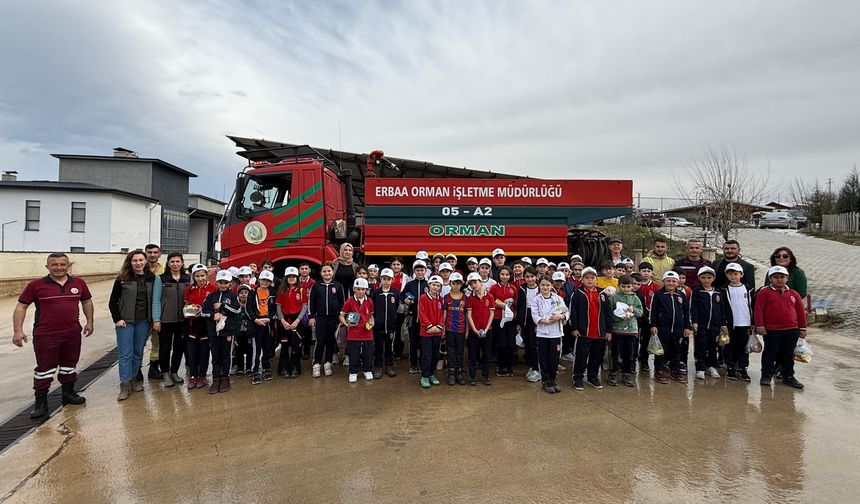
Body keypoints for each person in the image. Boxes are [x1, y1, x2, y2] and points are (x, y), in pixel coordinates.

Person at [13, 253, 94, 418]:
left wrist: (90, 322)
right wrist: (18, 331)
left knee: (69, 365)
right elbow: (21, 307)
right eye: (54, 264)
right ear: (47, 267)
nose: (59, 267)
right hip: (46, 335)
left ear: (68, 265)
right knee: (45, 369)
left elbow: (86, 301)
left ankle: (68, 393)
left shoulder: (78, 283)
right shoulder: (36, 285)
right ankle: (41, 404)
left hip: (72, 333)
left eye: (62, 264)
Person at [109, 250, 162, 400]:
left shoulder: (152, 278)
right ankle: (124, 385)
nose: (138, 263)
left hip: (143, 322)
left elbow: (155, 300)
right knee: (126, 354)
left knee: (138, 352)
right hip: (125, 322)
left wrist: (154, 319)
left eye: (141, 260)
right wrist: (117, 319)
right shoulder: (122, 279)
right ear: (130, 262)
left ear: (145, 261)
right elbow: (113, 302)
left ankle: (134, 379)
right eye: (135, 260)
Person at [755, 265, 807, 389]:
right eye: (776, 277)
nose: (779, 280)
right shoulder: (764, 293)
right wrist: (760, 325)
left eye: (782, 277)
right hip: (772, 330)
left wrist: (803, 328)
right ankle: (766, 375)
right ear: (770, 279)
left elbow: (800, 312)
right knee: (770, 353)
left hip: (791, 330)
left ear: (787, 278)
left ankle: (788, 376)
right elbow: (758, 310)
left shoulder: (793, 294)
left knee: (788, 354)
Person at [569, 267, 613, 390]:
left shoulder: (602, 294)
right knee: (581, 356)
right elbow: (573, 312)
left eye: (592, 277)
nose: (590, 280)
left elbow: (608, 313)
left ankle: (592, 376)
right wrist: (574, 327)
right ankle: (577, 377)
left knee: (597, 356)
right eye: (587, 278)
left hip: (600, 332)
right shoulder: (577, 293)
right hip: (584, 332)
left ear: (596, 280)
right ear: (582, 280)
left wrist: (609, 330)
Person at [649, 271, 691, 385]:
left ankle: (675, 370)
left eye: (674, 281)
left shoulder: (681, 295)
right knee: (660, 350)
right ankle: (659, 370)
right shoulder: (658, 295)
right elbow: (653, 311)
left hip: (678, 329)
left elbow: (686, 312)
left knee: (676, 350)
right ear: (664, 281)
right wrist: (653, 325)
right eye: (668, 281)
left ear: (678, 282)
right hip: (663, 328)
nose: (671, 283)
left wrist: (687, 326)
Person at [202, 270, 240, 393]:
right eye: (220, 282)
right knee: (215, 356)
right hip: (213, 332)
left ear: (230, 283)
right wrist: (213, 315)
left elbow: (237, 311)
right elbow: (203, 311)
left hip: (227, 332)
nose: (223, 285)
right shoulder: (211, 296)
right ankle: (216, 378)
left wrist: (222, 306)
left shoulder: (233, 296)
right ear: (217, 282)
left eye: (226, 283)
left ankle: (225, 377)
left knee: (226, 355)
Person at [531, 274, 569, 394]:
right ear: (539, 285)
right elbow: (535, 315)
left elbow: (566, 312)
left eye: (548, 285)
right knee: (544, 358)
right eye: (543, 285)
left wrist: (560, 316)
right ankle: (546, 380)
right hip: (542, 333)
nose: (545, 287)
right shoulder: (536, 299)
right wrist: (544, 321)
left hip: (556, 333)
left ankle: (553, 379)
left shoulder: (557, 298)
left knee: (554, 358)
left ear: (551, 285)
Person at [690, 266, 728, 381]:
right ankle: (700, 367)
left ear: (713, 278)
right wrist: (694, 321)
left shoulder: (718, 292)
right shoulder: (697, 291)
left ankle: (711, 366)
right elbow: (693, 307)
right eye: (703, 277)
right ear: (699, 278)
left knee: (713, 346)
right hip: (701, 324)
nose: (706, 280)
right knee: (700, 346)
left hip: (715, 325)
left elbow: (722, 308)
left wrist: (723, 323)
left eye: (709, 277)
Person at [158, 252, 190, 387]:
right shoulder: (161, 279)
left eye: (178, 261)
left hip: (183, 320)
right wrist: (156, 319)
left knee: (179, 347)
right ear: (168, 263)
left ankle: (174, 371)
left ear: (182, 263)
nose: (175, 264)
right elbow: (155, 300)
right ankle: (165, 373)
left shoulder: (188, 278)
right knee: (165, 347)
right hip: (165, 320)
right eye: (172, 262)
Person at [308, 264, 346, 378]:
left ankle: (328, 363)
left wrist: (341, 316)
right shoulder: (316, 286)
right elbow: (312, 302)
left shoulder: (338, 286)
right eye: (324, 271)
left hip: (333, 318)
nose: (327, 273)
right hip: (321, 317)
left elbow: (342, 302)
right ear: (321, 273)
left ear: (333, 272)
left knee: (330, 340)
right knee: (320, 341)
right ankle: (316, 364)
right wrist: (312, 317)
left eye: (329, 271)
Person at [183, 264, 216, 390]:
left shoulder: (213, 288)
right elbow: (186, 305)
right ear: (193, 276)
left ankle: (202, 375)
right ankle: (193, 376)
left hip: (206, 325)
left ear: (207, 275)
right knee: (192, 352)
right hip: (192, 324)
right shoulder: (189, 289)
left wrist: (205, 310)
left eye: (202, 275)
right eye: (197, 276)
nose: (200, 278)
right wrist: (188, 310)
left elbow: (216, 306)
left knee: (204, 351)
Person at [608, 275, 643, 387]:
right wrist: (619, 317)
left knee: (629, 354)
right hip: (617, 330)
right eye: (624, 286)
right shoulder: (614, 297)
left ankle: (626, 374)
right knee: (615, 353)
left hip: (631, 330)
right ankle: (612, 373)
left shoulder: (635, 298)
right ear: (619, 286)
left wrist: (633, 310)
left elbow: (641, 312)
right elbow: (609, 313)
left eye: (628, 286)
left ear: (632, 286)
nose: (626, 289)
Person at [721, 263, 753, 382]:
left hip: (745, 322)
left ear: (741, 274)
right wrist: (723, 322)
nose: (733, 276)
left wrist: (753, 322)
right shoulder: (723, 289)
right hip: (730, 323)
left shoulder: (748, 288)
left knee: (744, 346)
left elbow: (752, 305)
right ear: (726, 274)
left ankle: (742, 367)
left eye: (736, 274)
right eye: (730, 274)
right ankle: (730, 366)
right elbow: (722, 307)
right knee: (729, 345)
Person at [340, 278, 375, 383]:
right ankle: (353, 372)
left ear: (366, 290)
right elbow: (342, 315)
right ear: (354, 289)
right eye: (358, 289)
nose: (360, 291)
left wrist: (372, 322)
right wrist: (346, 324)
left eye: (363, 289)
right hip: (353, 333)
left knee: (367, 353)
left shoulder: (369, 301)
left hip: (367, 332)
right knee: (353, 353)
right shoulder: (349, 301)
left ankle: (367, 370)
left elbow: (371, 315)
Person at [276, 267, 307, 379]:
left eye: (293, 276)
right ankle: (283, 368)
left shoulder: (301, 290)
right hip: (284, 320)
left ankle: (295, 368)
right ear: (286, 278)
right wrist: (282, 320)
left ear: (297, 277)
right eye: (289, 276)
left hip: (296, 320)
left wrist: (298, 320)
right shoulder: (282, 290)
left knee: (296, 346)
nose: (291, 278)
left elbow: (304, 307)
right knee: (284, 346)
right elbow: (278, 307)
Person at [466, 273, 495, 386]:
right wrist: (475, 330)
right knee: (472, 355)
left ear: (480, 282)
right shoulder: (470, 298)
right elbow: (469, 315)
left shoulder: (490, 297)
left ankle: (485, 376)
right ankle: (472, 376)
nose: (473, 285)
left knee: (487, 355)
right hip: (474, 331)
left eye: (475, 282)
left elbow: (491, 314)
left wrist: (486, 329)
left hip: (488, 330)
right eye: (471, 283)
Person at [371, 268, 399, 378]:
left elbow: (396, 306)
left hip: (391, 327)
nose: (386, 281)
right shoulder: (376, 293)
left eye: (388, 279)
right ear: (380, 279)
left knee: (389, 347)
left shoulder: (395, 293)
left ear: (392, 280)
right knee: (378, 348)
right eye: (384, 279)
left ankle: (389, 365)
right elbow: (373, 308)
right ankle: (378, 367)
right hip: (378, 327)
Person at [418, 275, 445, 388]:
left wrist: (439, 326)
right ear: (429, 285)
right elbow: (422, 313)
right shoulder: (423, 298)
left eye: (438, 285)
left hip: (437, 332)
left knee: (435, 354)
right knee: (426, 355)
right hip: (426, 332)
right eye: (433, 284)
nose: (435, 287)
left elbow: (442, 314)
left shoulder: (441, 299)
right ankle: (424, 376)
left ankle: (431, 374)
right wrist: (429, 326)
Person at [250, 269, 277, 384]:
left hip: (267, 322)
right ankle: (255, 369)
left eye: (268, 280)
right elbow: (248, 308)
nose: (265, 282)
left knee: (267, 345)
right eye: (263, 280)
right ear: (259, 279)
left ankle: (266, 367)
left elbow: (275, 308)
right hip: (256, 322)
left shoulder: (273, 293)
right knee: (256, 347)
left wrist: (270, 318)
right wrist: (255, 319)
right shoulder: (253, 292)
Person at [489, 266, 517, 377]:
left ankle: (508, 366)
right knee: (502, 344)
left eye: (507, 274)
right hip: (498, 319)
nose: (504, 276)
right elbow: (490, 301)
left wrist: (512, 300)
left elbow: (517, 303)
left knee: (511, 344)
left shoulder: (513, 288)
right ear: (499, 275)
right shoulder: (493, 288)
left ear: (510, 276)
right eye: (502, 274)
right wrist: (501, 304)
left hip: (510, 320)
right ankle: (500, 366)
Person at [516, 266, 542, 383]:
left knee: (534, 345)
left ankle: (537, 368)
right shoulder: (522, 288)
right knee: (528, 344)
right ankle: (532, 366)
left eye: (532, 276)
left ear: (536, 277)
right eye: (527, 277)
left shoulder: (541, 288)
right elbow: (520, 306)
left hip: (537, 319)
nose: (530, 279)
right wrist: (519, 323)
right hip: (525, 318)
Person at [402, 260, 429, 375]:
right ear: (414, 271)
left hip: (425, 319)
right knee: (412, 342)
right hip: (412, 318)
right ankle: (413, 364)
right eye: (417, 270)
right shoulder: (409, 284)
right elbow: (402, 294)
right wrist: (405, 300)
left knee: (423, 343)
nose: (420, 272)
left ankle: (423, 364)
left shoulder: (428, 284)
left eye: (422, 270)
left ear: (425, 271)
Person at [443, 272, 468, 385]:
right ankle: (451, 374)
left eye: (458, 283)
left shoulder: (465, 298)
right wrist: (443, 328)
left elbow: (467, 316)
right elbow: (444, 314)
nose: (456, 285)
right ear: (450, 283)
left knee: (460, 352)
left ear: (461, 284)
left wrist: (467, 330)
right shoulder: (446, 297)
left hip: (461, 330)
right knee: (450, 352)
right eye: (454, 283)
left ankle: (459, 373)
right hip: (449, 329)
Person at [144, 243, 164, 379]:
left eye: (155, 252)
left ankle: (153, 368)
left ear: (160, 254)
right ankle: (136, 371)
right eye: (149, 252)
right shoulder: (139, 268)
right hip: (142, 311)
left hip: (158, 311)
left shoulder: (164, 269)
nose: (152, 254)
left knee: (157, 342)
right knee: (139, 343)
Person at [636, 263, 660, 372]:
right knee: (635, 338)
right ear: (639, 271)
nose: (646, 273)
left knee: (646, 338)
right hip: (637, 314)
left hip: (648, 315)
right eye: (643, 271)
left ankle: (644, 358)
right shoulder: (636, 283)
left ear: (652, 273)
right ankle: (632, 358)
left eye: (648, 271)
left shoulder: (655, 286)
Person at [234, 285, 259, 378]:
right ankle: (240, 369)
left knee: (250, 350)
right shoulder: (235, 305)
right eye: (241, 293)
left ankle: (249, 368)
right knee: (238, 351)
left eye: (246, 293)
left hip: (249, 333)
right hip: (238, 333)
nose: (244, 295)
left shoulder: (252, 305)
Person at [389, 257, 411, 360]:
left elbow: (408, 291)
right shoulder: (386, 275)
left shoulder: (406, 277)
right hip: (389, 306)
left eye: (398, 264)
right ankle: (389, 351)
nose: (396, 266)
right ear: (391, 265)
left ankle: (398, 353)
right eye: (394, 264)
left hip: (401, 308)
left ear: (402, 266)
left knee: (399, 331)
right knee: (390, 330)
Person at [298, 262, 315, 360]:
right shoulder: (296, 282)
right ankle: (298, 350)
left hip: (308, 310)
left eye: (306, 269)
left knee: (307, 331)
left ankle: (307, 350)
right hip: (298, 309)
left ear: (309, 270)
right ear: (299, 270)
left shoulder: (313, 283)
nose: (304, 270)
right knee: (298, 331)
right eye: (302, 268)